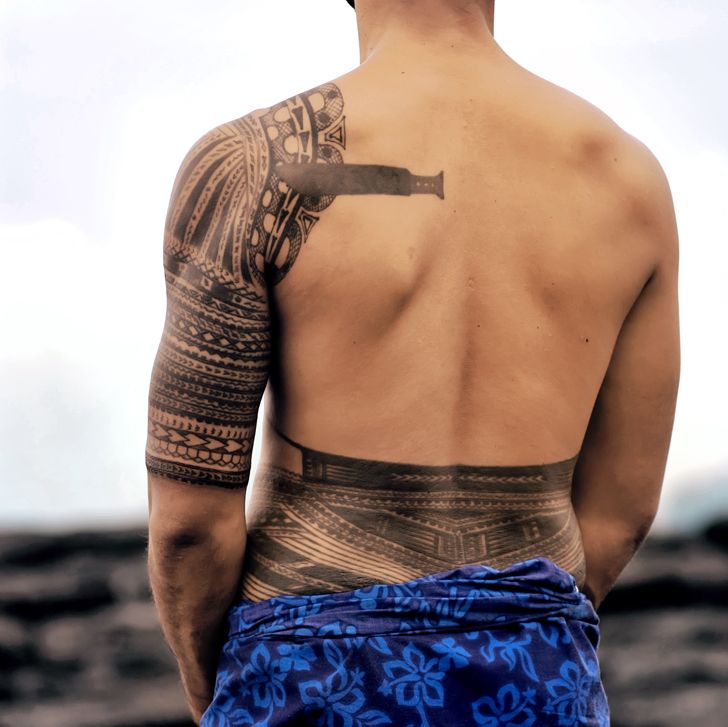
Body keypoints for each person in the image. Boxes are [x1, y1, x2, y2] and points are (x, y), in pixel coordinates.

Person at [144, 0, 680, 724]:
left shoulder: (253, 166)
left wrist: (217, 693)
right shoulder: (629, 181)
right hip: (533, 672)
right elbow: (620, 514)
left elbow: (190, 524)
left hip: (308, 671)